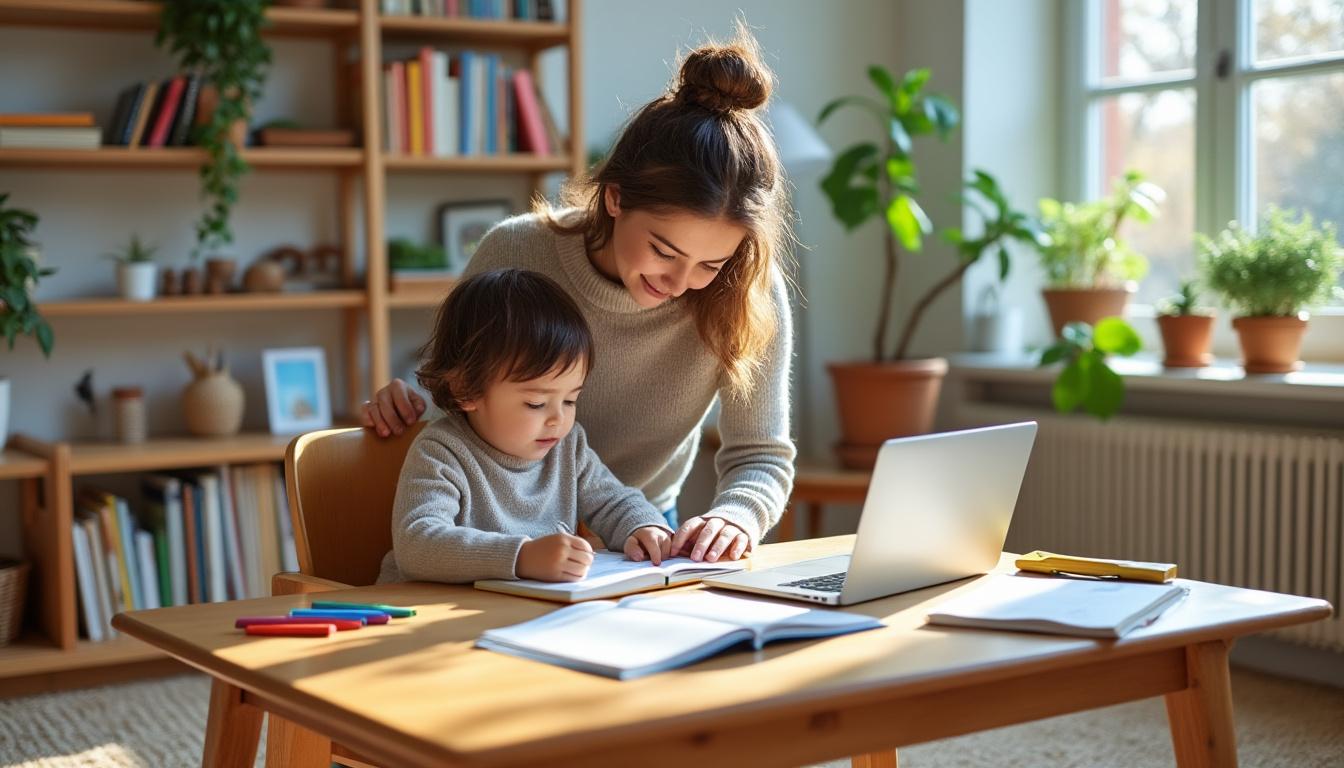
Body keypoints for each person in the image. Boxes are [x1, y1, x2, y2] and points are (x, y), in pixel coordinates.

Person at [366, 26, 795, 565]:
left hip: (638, 529)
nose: (680, 282)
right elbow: (461, 386)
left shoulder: (745, 291)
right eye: (664, 250)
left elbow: (761, 455)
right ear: (614, 198)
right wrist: (407, 399)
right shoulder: (515, 252)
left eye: (710, 263)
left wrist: (734, 516)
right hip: (497, 528)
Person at [377, 269, 675, 585]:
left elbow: (614, 501)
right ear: (466, 390)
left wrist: (642, 526)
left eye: (571, 400)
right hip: (425, 616)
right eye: (536, 403)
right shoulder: (441, 451)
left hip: (517, 615)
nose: (558, 419)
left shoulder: (567, 446)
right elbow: (417, 544)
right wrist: (521, 557)